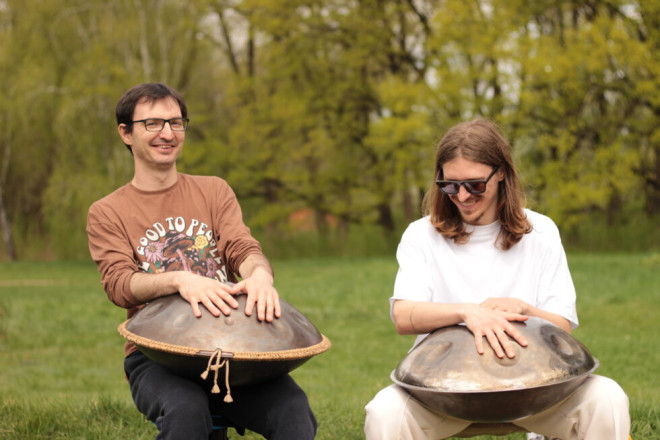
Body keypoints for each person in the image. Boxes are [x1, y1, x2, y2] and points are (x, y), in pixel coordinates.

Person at [363, 118, 630, 440]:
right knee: (385, 412)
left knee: (608, 398)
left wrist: (526, 309)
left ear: (501, 172)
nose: (462, 196)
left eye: (475, 185)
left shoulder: (541, 231)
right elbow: (403, 316)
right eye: (450, 185)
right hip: (445, 394)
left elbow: (562, 325)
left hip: (535, 391)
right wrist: (467, 312)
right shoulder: (421, 234)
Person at [87, 83, 317, 440]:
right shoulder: (107, 211)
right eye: (152, 124)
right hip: (157, 356)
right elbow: (119, 285)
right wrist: (179, 280)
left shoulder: (214, 190)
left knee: (293, 409)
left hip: (233, 346)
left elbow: (242, 247)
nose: (167, 133)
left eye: (176, 123)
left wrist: (260, 275)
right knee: (187, 411)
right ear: (126, 133)